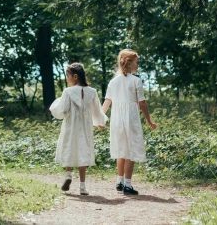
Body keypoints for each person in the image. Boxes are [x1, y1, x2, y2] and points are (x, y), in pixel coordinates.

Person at [102, 49, 157, 196]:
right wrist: (148, 119)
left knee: (121, 150)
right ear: (130, 63)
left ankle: (119, 182)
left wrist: (101, 119)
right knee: (130, 150)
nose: (138, 65)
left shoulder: (113, 82)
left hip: (117, 120)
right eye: (137, 62)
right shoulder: (136, 81)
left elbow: (107, 101)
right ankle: (127, 184)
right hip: (130, 119)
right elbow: (142, 103)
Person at [50, 62, 107, 196]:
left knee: (69, 147)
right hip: (85, 127)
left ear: (75, 76)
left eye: (67, 76)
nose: (66, 79)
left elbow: (62, 110)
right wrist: (100, 122)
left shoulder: (68, 92)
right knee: (83, 151)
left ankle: (68, 174)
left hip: (71, 125)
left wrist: (55, 106)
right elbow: (97, 110)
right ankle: (82, 187)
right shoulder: (92, 92)